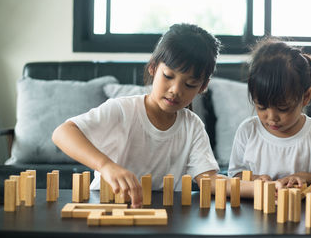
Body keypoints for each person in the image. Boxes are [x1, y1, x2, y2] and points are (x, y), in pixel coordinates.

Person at [52, 23, 221, 207]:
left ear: (202, 87)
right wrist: (105, 165)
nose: (175, 90)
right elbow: (62, 132)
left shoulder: (193, 126)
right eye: (168, 76)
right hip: (108, 206)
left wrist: (254, 186)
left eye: (189, 84)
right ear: (153, 68)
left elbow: (209, 180)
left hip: (165, 217)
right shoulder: (123, 109)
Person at [228, 38, 311, 192]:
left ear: (306, 97)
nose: (271, 117)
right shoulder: (248, 131)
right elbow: (235, 176)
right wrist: (256, 179)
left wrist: (305, 177)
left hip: (302, 213)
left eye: (283, 109)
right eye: (261, 107)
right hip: (255, 212)